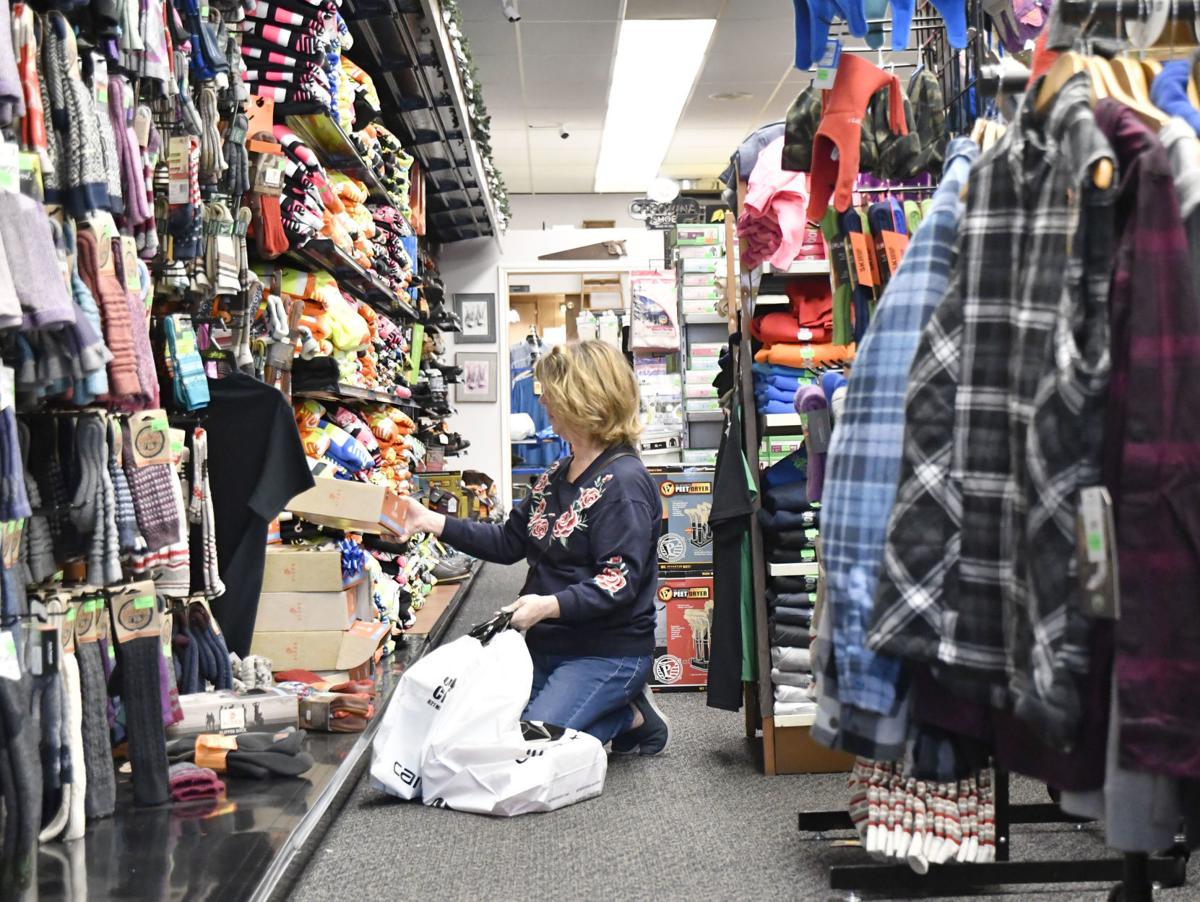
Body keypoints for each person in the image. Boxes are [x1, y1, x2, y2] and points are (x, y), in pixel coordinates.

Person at [398, 340, 669, 755]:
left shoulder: (625, 485)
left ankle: (629, 715)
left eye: (551, 395)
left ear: (584, 400)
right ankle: (608, 711)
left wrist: (545, 606)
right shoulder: (557, 472)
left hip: (604, 653)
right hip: (544, 646)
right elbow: (510, 542)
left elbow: (618, 582)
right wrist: (430, 521)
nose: (544, 403)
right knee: (476, 733)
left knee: (523, 750)